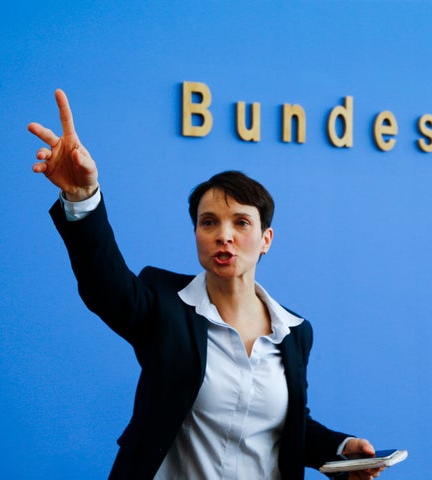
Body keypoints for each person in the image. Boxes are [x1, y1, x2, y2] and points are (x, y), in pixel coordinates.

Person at [28, 89, 385, 479]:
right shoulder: (163, 305)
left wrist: (340, 448)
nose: (223, 235)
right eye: (209, 222)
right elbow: (103, 284)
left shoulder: (295, 331)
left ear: (267, 239)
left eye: (241, 222)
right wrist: (81, 196)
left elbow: (285, 425)